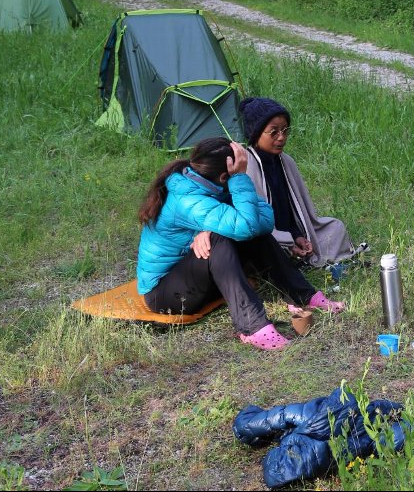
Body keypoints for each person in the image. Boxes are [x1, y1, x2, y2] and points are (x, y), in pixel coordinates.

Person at [137, 137, 346, 351]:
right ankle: (252, 328)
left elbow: (263, 222)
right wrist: (239, 180)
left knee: (249, 233)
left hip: (197, 280)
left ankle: (304, 295)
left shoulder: (210, 184)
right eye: (238, 173)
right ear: (223, 176)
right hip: (165, 295)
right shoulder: (188, 200)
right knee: (221, 238)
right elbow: (247, 224)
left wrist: (211, 226)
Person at [240, 97, 355, 269]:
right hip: (266, 236)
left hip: (288, 236)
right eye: (274, 132)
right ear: (256, 134)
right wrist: (287, 242)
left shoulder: (286, 161)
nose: (281, 137)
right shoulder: (247, 165)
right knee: (264, 246)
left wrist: (298, 236)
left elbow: (293, 210)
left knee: (335, 228)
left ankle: (294, 253)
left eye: (285, 130)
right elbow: (254, 222)